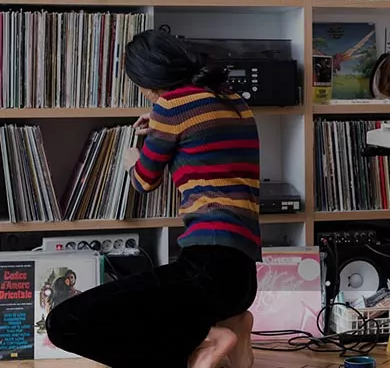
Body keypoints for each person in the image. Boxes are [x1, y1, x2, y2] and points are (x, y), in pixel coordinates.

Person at [45, 27, 261, 368]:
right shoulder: (233, 100)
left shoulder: (170, 107)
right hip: (241, 276)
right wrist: (162, 124)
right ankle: (232, 323)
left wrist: (134, 158)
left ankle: (206, 342)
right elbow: (203, 139)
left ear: (148, 76)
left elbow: (144, 181)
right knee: (151, 309)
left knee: (64, 323)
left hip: (206, 268)